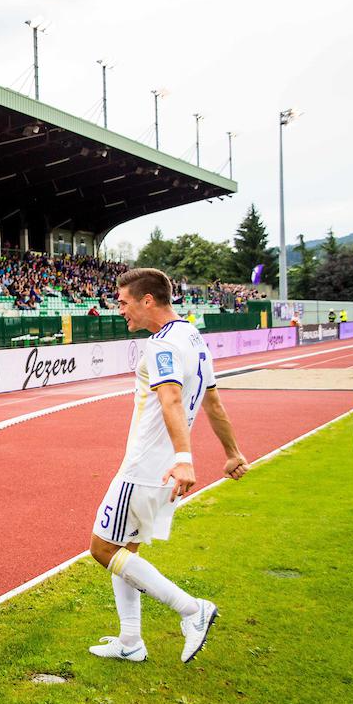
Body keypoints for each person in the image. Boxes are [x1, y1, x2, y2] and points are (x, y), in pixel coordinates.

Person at [87, 268, 249, 664]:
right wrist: (232, 452)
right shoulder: (191, 337)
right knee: (128, 549)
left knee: (103, 549)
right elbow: (213, 401)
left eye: (124, 302)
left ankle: (192, 610)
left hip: (146, 467)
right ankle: (130, 641)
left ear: (147, 301)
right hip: (160, 470)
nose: (119, 309)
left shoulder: (160, 347)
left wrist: (183, 459)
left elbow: (172, 399)